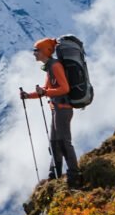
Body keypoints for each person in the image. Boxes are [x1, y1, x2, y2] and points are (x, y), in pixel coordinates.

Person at [20, 37, 79, 184]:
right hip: (57, 109)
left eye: (36, 50)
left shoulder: (55, 66)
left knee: (64, 142)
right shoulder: (50, 67)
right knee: (54, 143)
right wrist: (29, 95)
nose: (34, 53)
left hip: (63, 110)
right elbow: (46, 90)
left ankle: (73, 174)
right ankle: (55, 175)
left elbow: (64, 88)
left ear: (46, 51)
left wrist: (44, 93)